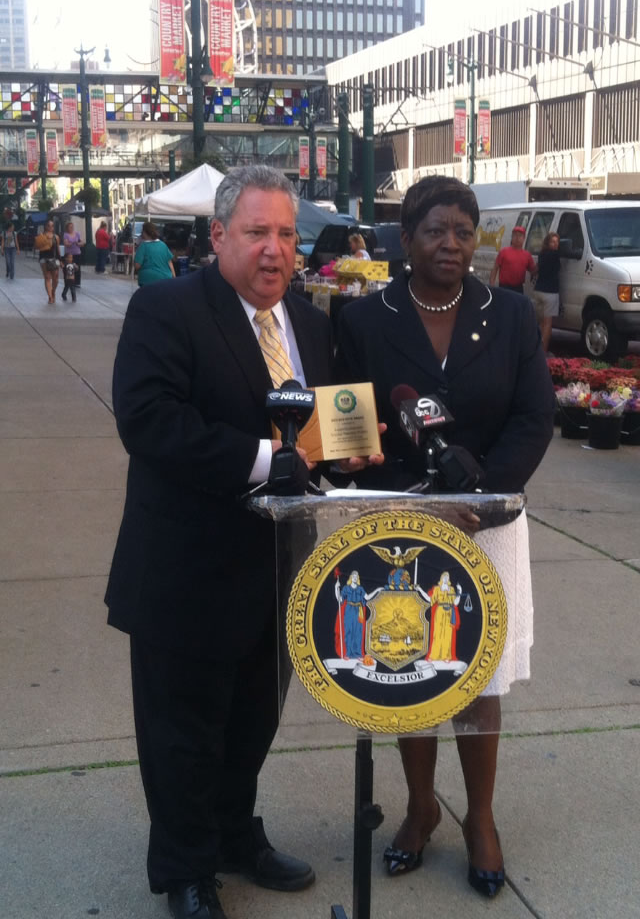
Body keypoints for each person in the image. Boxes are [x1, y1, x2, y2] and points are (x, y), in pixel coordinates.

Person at [105, 165, 382, 919]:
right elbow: (149, 422)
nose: (275, 249)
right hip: (186, 569)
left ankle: (234, 834)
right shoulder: (166, 311)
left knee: (253, 720)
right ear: (219, 234)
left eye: (287, 234)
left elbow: (320, 434)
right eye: (258, 232)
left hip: (281, 568)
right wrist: (267, 460)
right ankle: (186, 871)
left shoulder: (314, 325)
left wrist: (343, 453)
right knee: (183, 731)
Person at [335, 175, 554, 898]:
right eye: (435, 230)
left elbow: (533, 417)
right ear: (406, 240)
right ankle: (421, 807)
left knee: (477, 679)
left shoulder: (513, 316)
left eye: (463, 230)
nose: (451, 244)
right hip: (399, 523)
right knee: (409, 671)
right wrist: (371, 477)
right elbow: (348, 418)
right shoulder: (367, 319)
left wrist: (484, 494)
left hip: (485, 521)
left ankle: (480, 817)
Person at [532, 231, 561, 354]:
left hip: (538, 291)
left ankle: (534, 348)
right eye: (553, 242)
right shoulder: (555, 255)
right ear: (548, 243)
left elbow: (536, 269)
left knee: (539, 323)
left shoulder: (542, 254)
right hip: (550, 293)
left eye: (557, 242)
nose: (555, 244)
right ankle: (543, 352)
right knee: (547, 324)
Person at [489, 225, 537, 293]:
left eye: (520, 236)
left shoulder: (527, 255)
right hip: (504, 287)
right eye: (515, 235)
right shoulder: (504, 252)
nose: (517, 238)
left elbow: (533, 270)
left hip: (518, 288)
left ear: (524, 238)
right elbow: (495, 269)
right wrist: (492, 284)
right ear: (512, 237)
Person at [133, 221, 175, 286]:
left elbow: (137, 266)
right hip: (165, 279)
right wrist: (174, 278)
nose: (141, 233)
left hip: (148, 280)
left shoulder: (143, 246)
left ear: (145, 232)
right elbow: (170, 263)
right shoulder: (163, 245)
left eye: (142, 231)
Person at [37, 219, 61, 304]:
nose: (50, 227)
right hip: (43, 259)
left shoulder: (56, 237)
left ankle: (53, 291)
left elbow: (57, 249)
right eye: (49, 225)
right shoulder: (41, 235)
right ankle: (50, 297)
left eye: (52, 226)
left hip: (54, 259)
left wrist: (60, 260)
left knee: (56, 279)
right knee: (47, 277)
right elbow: (36, 247)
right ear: (45, 226)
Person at [63, 220, 83, 287]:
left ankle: (77, 282)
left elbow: (82, 243)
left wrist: (78, 243)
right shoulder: (66, 235)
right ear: (67, 228)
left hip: (77, 253)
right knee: (70, 267)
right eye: (70, 227)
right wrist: (72, 243)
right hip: (69, 254)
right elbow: (66, 244)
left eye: (72, 227)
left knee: (77, 267)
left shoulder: (77, 234)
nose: (71, 228)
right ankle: (70, 282)